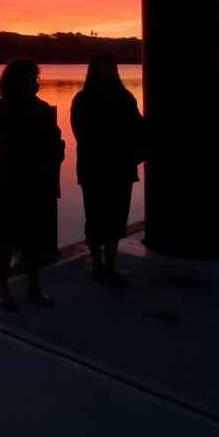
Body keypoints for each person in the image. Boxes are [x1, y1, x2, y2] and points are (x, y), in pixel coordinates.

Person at [0, 58, 65, 310]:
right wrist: (39, 161)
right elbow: (6, 146)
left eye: (36, 78)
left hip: (37, 184)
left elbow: (56, 143)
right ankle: (3, 288)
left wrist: (51, 164)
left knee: (33, 238)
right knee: (6, 238)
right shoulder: (0, 109)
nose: (35, 82)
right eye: (31, 78)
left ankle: (34, 287)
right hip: (10, 182)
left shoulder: (42, 109)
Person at [70, 54, 145, 284]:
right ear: (94, 71)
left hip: (120, 169)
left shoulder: (125, 97)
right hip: (95, 170)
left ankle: (110, 265)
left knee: (116, 219)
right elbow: (82, 135)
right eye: (104, 68)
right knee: (95, 218)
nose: (109, 71)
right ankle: (97, 264)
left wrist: (138, 152)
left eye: (112, 67)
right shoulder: (83, 100)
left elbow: (139, 127)